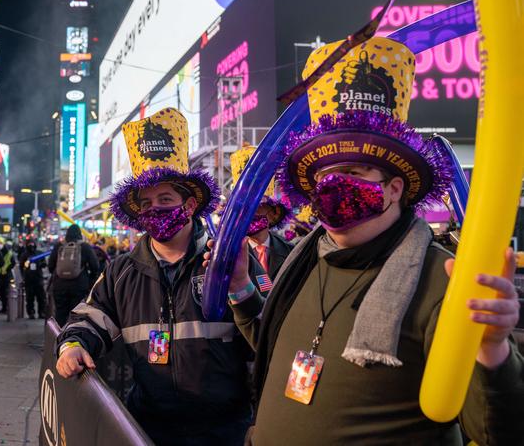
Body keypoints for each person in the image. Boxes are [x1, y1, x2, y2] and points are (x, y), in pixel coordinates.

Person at [209, 37, 524, 444]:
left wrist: (492, 350)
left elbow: (500, 429)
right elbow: (281, 343)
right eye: (325, 175)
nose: (335, 186)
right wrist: (239, 288)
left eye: (354, 171)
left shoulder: (440, 279)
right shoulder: (307, 260)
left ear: (394, 189)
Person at [55, 108, 267, 446]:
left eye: (166, 199)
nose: (155, 208)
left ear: (189, 204)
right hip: (147, 429)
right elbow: (89, 318)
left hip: (225, 431)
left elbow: (267, 333)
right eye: (147, 202)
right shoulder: (122, 271)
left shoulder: (230, 261)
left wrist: (241, 287)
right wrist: (73, 345)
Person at [231, 146, 293, 285]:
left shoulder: (291, 252)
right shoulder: (229, 253)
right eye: (244, 208)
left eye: (257, 207)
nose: (250, 214)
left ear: (272, 214)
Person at [48, 225, 100, 326]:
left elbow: (50, 266)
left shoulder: (59, 246)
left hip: (60, 286)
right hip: (79, 286)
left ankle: (60, 337)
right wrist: (90, 280)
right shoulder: (85, 247)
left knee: (60, 313)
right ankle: (73, 337)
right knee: (77, 314)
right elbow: (95, 266)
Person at [19, 240, 46, 319]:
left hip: (38, 278)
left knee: (41, 297)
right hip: (29, 279)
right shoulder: (24, 255)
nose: (31, 246)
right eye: (29, 244)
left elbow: (44, 263)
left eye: (32, 244)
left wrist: (42, 264)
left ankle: (41, 312)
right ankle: (31, 312)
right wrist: (24, 276)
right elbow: (21, 266)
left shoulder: (39, 253)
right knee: (29, 298)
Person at [0, 237, 15, 315]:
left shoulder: (9, 253)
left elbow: (13, 262)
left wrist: (7, 269)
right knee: (1, 293)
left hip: (7, 275)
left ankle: (8, 308)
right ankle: (4, 308)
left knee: (7, 292)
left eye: (0, 243)